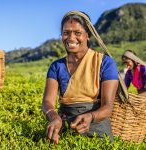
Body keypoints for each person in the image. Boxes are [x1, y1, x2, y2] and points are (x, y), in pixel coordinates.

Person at [42, 11, 118, 144]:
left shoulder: (105, 63)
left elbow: (107, 107)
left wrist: (91, 116)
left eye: (77, 33)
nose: (71, 38)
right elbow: (47, 102)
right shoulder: (56, 66)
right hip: (64, 125)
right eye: (66, 33)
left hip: (96, 125)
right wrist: (54, 118)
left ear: (88, 35)